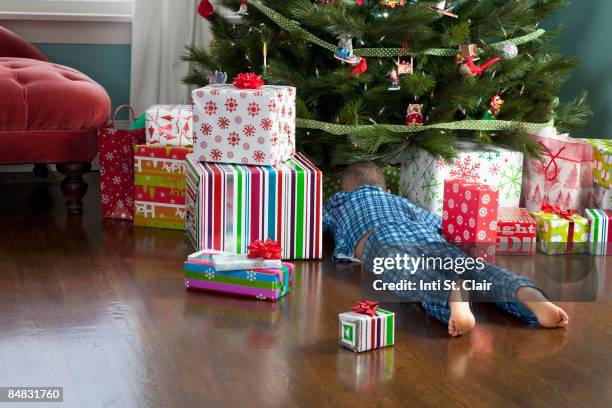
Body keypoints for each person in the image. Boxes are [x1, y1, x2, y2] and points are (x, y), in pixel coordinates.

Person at [323, 161, 569, 337]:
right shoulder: (399, 201)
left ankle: (450, 293)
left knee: (409, 274)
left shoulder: (340, 203)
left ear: (344, 192)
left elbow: (318, 222)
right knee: (476, 269)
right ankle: (527, 295)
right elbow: (438, 223)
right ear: (386, 191)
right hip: (425, 236)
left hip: (382, 240)